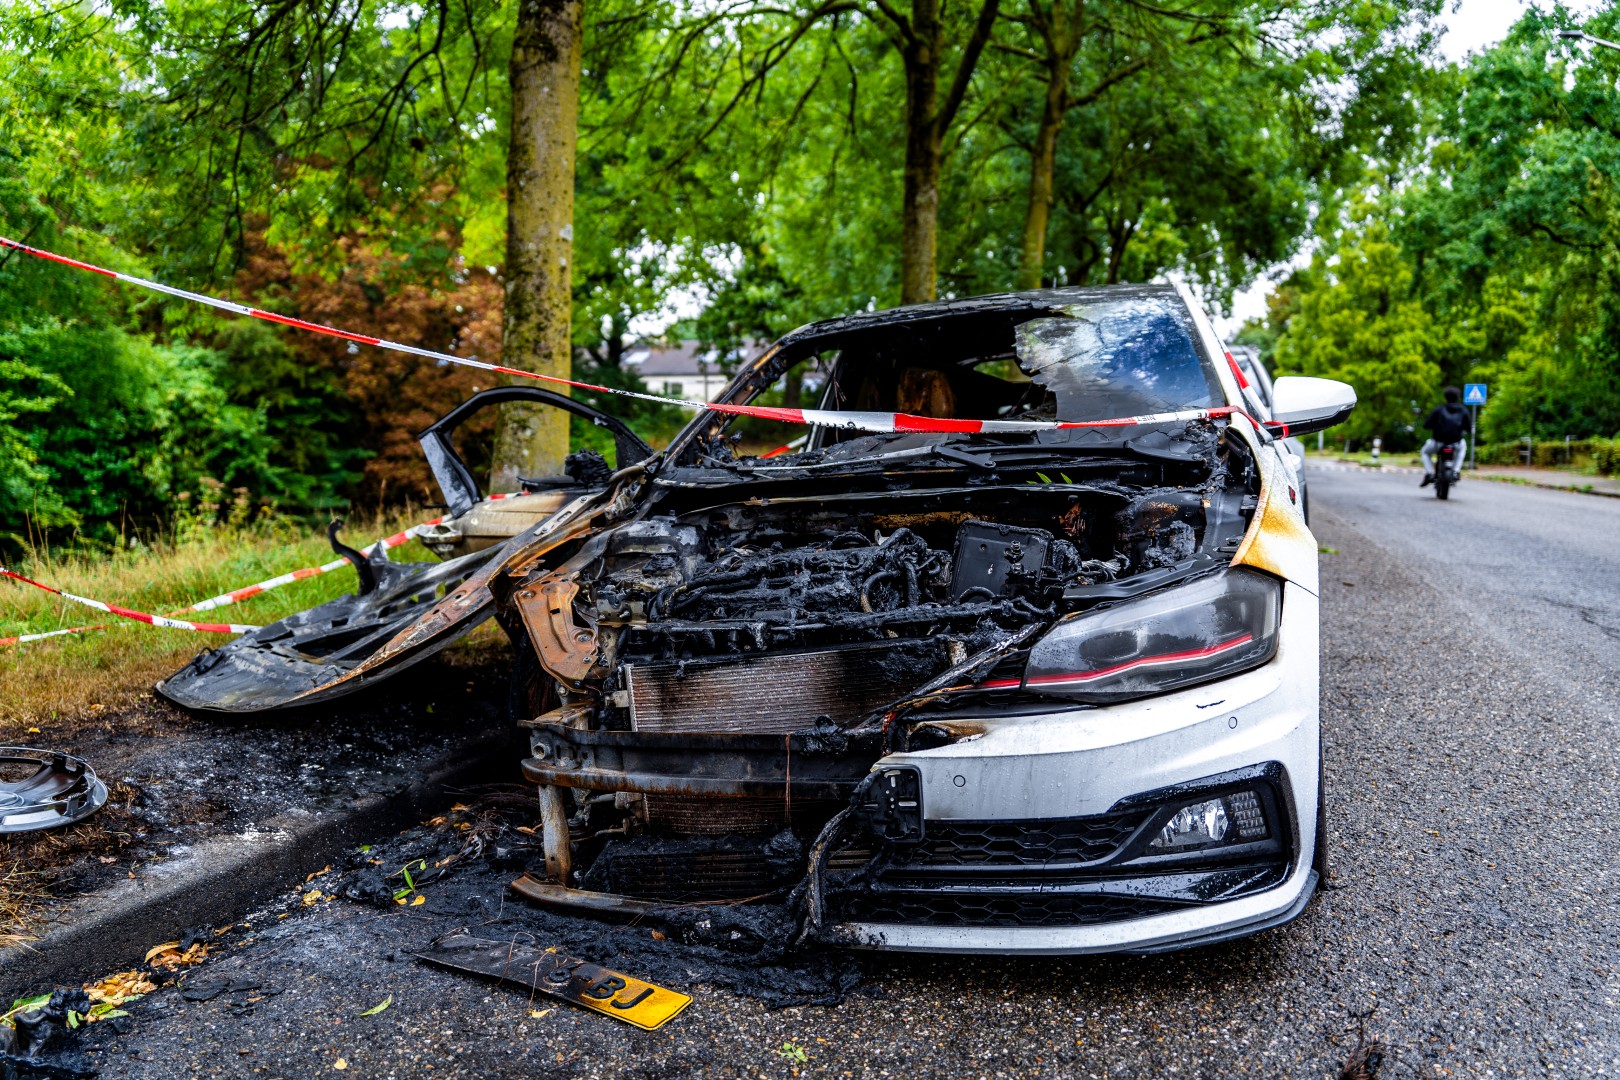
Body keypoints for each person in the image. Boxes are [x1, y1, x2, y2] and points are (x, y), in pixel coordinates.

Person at [1420, 386, 1471, 487]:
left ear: (1445, 397)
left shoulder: (1439, 409)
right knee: (1462, 448)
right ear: (1458, 397)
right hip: (1456, 443)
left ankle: (1429, 473)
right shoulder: (1463, 411)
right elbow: (1468, 427)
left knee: (1424, 452)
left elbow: (1426, 424)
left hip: (1438, 442)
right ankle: (1456, 471)